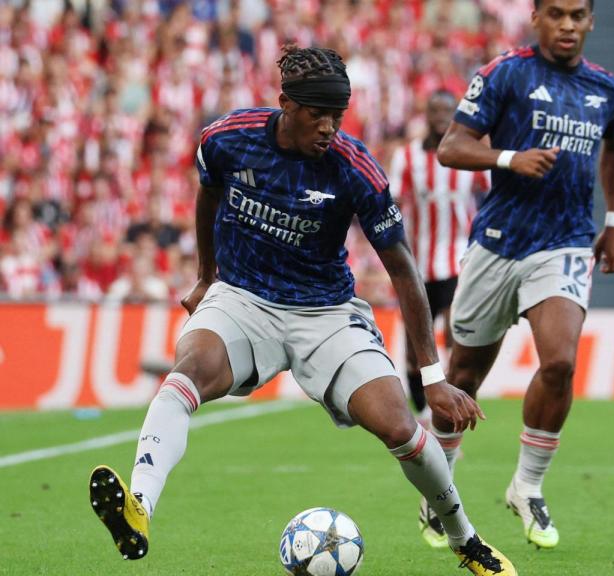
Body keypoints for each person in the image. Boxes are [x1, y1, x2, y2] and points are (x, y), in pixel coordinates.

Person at [88, 44, 516, 576]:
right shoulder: (227, 139)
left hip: (326, 314)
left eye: (339, 116)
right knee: (188, 373)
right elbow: (208, 193)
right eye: (319, 115)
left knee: (399, 427)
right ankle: (140, 509)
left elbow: (404, 270)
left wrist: (432, 377)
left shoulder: (354, 168)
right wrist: (206, 275)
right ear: (286, 103)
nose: (330, 128)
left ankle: (465, 539)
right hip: (243, 299)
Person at [426, 0, 614, 550]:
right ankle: (438, 485)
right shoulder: (504, 74)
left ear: (591, 21)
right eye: (557, 14)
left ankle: (528, 485)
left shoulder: (607, 89)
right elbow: (451, 147)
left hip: (563, 243)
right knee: (462, 378)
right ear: (536, 17)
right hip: (497, 245)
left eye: (578, 16)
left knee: (560, 362)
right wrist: (509, 158)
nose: (568, 25)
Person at [388, 90, 489, 424]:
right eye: (434, 109)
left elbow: (491, 192)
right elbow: (392, 205)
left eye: (447, 110)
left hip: (457, 260)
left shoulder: (468, 154)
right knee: (415, 346)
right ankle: (422, 414)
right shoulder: (407, 157)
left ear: (455, 114)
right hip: (416, 265)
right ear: (426, 113)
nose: (440, 116)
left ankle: (446, 414)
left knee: (455, 334)